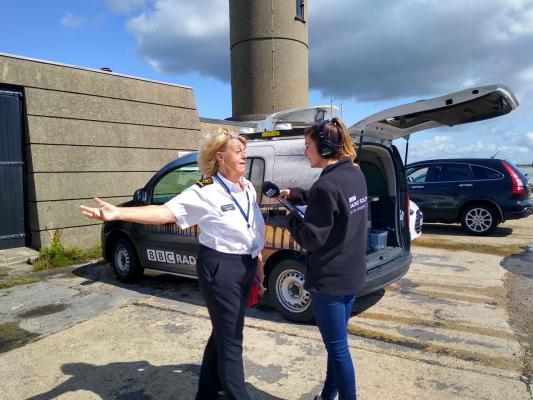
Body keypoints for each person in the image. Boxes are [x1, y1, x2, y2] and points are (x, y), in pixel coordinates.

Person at [80, 131, 265, 400]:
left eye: (244, 150)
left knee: (224, 331)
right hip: (220, 269)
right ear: (220, 157)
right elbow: (166, 212)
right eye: (238, 151)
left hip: (245, 265)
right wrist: (118, 212)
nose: (244, 155)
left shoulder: (245, 186)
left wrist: (257, 260)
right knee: (232, 341)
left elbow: (252, 226)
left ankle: (207, 392)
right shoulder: (205, 190)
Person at [277, 118, 367, 400]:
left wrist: (290, 219)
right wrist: (295, 194)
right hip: (351, 273)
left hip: (329, 279)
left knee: (338, 349)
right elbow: (330, 201)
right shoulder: (354, 174)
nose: (305, 152)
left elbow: (311, 239)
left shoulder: (326, 186)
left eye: (307, 146)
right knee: (336, 345)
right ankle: (328, 395)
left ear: (325, 148)